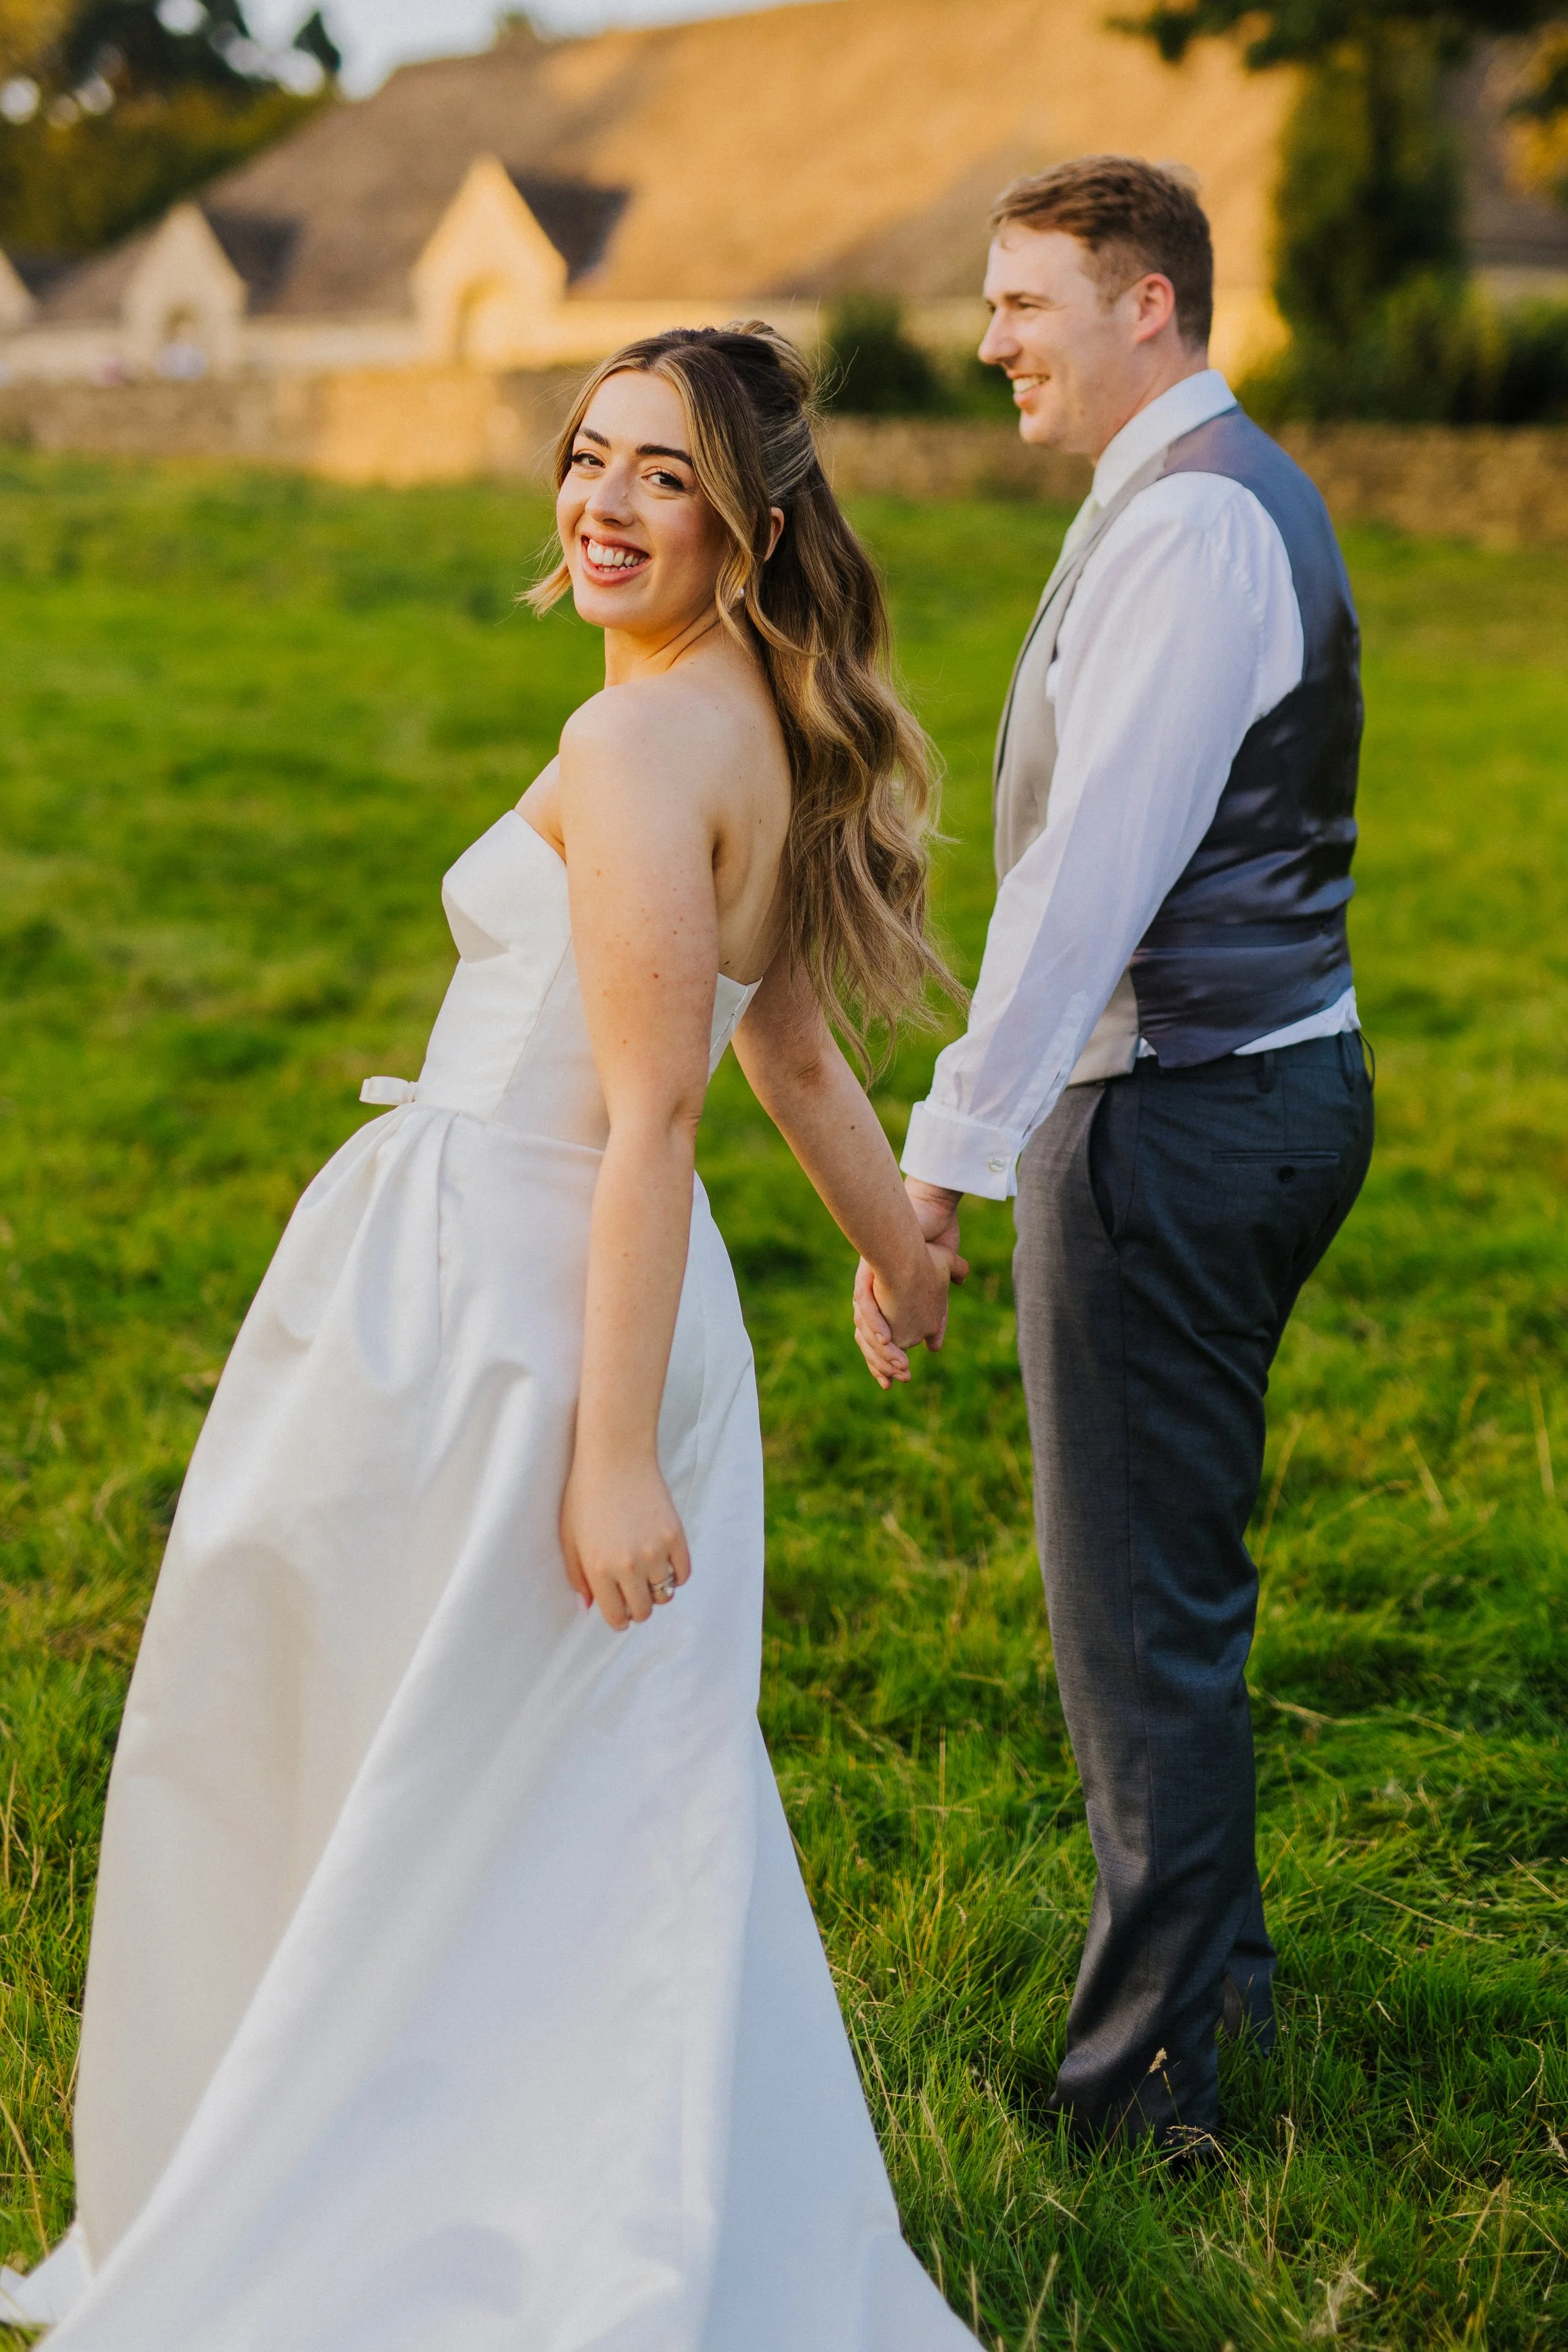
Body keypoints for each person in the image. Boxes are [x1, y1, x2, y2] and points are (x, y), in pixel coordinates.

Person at [5, 325, 978, 2347]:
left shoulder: (637, 748)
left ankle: (425, 2208)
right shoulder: (759, 723)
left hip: (523, 1317)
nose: (605, 507)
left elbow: (659, 1110)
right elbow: (794, 1046)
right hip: (587, 1293)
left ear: (751, 520)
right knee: (550, 1776)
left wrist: (605, 1448)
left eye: (663, 477)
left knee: (413, 1759)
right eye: (586, 458)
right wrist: (901, 1257)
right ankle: (552, 2159)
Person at [857, 157, 1373, 2162]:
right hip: (1244, 1088)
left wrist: (944, 1165)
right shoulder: (1203, 490)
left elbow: (1086, 886)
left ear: (1143, 304)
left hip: (1173, 1115)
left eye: (1022, 302)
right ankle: (1212, 2001)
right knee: (1167, 1589)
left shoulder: (1189, 533)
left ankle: (1153, 2093)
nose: (990, 339)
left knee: (1134, 1612)